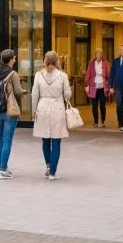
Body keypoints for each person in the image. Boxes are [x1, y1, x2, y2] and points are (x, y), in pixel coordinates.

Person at [0, 49, 25, 179]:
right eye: (14, 58)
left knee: (0, 139)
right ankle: (3, 170)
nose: (15, 60)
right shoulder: (13, 74)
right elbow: (18, 92)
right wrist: (23, 91)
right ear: (11, 60)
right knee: (7, 139)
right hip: (9, 110)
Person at [32, 51, 72, 180]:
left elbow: (34, 95)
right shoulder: (62, 76)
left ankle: (48, 166)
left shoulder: (38, 75)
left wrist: (33, 111)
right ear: (57, 61)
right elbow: (67, 95)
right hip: (57, 108)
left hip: (42, 107)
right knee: (56, 140)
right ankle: (53, 173)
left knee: (45, 139)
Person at [85, 49, 110, 128]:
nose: (99, 56)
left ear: (102, 55)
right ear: (95, 55)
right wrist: (86, 84)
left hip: (102, 87)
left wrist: (110, 84)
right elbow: (88, 74)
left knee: (102, 105)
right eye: (97, 54)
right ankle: (95, 121)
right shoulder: (91, 63)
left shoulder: (105, 63)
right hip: (93, 87)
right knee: (94, 106)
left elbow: (109, 74)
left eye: (100, 54)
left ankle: (103, 121)